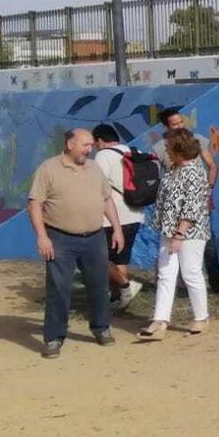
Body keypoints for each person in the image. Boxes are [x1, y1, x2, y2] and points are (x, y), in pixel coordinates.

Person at [28, 129, 125, 358]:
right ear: (70, 144)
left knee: (99, 286)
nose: (89, 149)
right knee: (59, 289)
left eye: (91, 145)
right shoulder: (48, 169)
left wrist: (117, 229)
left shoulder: (94, 168)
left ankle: (101, 328)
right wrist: (42, 237)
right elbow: (34, 204)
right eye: (84, 145)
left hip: (94, 237)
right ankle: (54, 338)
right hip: (60, 238)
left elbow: (106, 199)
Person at [138, 129, 212, 340]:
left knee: (191, 273)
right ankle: (160, 320)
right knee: (165, 273)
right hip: (168, 230)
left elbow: (192, 206)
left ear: (180, 148)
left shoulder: (195, 172)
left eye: (169, 147)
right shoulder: (172, 171)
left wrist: (180, 234)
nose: (166, 151)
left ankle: (201, 317)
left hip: (190, 233)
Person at [159, 108, 219, 293]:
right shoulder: (162, 147)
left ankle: (215, 281)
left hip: (197, 202)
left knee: (207, 242)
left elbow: (212, 165)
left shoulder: (198, 140)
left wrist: (208, 190)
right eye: (175, 124)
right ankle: (179, 283)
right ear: (167, 127)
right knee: (173, 245)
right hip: (174, 206)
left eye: (181, 122)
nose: (180, 126)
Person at [92, 123, 145, 311]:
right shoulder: (134, 150)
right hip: (136, 214)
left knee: (97, 257)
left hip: (112, 217)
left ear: (99, 140)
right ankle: (120, 298)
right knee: (121, 259)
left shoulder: (102, 156)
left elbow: (98, 186)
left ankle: (126, 286)